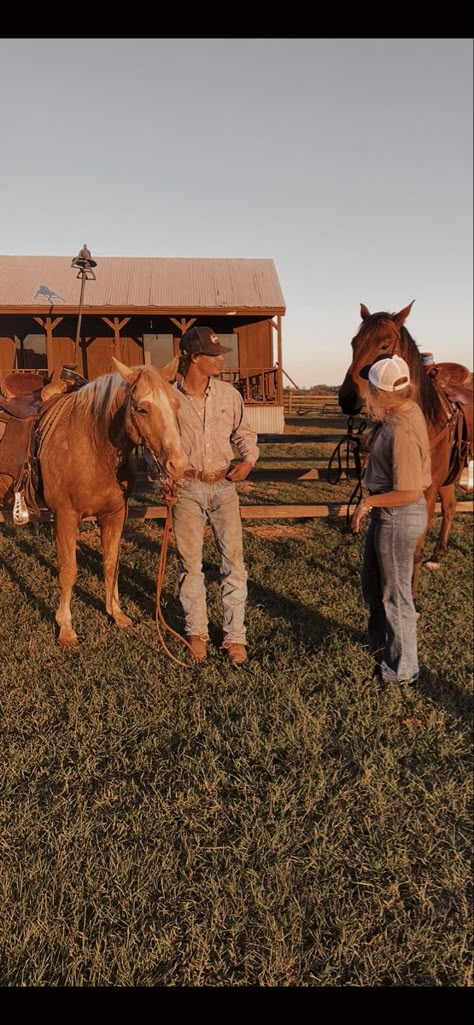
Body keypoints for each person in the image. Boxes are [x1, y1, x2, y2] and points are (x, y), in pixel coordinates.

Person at [172, 325, 259, 665]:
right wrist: (165, 478)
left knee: (233, 562)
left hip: (224, 485)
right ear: (194, 358)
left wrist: (248, 461)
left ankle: (235, 637)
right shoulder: (170, 398)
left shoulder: (228, 394)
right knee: (189, 564)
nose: (220, 359)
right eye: (213, 354)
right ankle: (197, 632)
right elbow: (157, 444)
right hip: (187, 486)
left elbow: (243, 433)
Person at [351, 355, 431, 685]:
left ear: (380, 391)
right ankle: (384, 647)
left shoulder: (402, 430)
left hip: (397, 515)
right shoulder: (400, 413)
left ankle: (402, 671)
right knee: (373, 584)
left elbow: (409, 491)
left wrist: (367, 502)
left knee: (396, 595)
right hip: (389, 515)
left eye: (370, 388)